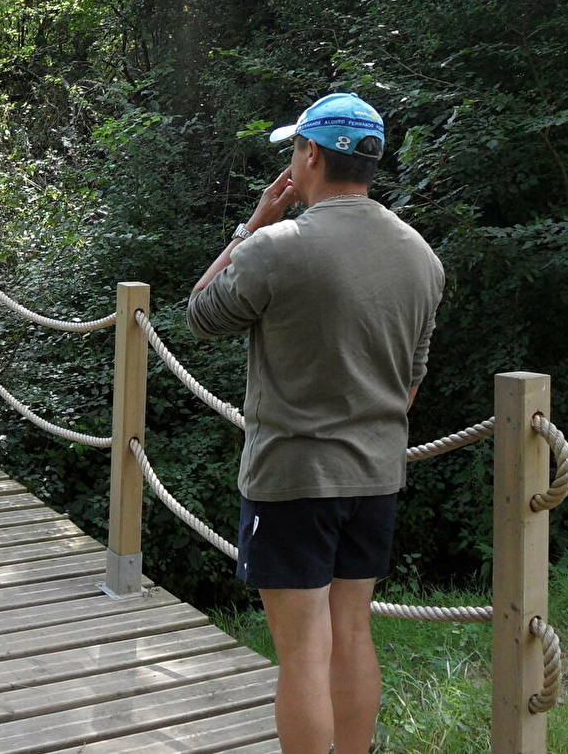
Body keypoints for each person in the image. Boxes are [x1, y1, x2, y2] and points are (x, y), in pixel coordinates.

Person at [186, 93, 444, 754]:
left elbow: (200, 312)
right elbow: (410, 386)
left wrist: (252, 224)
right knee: (352, 633)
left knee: (302, 654)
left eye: (295, 152)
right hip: (376, 478)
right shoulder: (420, 256)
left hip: (293, 478)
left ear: (309, 156)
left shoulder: (278, 246)